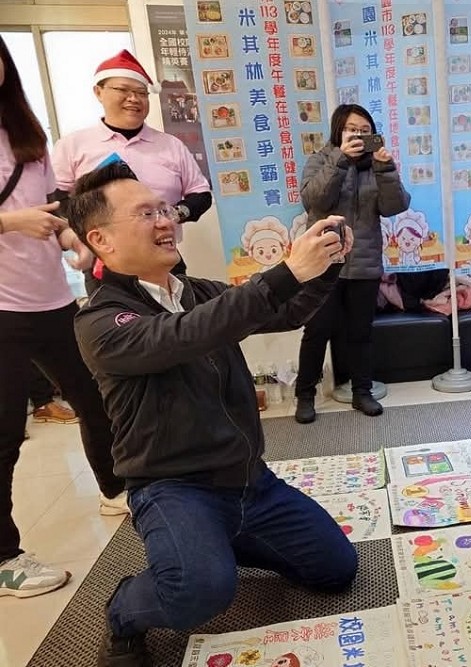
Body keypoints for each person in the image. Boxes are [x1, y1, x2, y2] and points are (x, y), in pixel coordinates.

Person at [66, 161, 359, 666]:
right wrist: (288, 270)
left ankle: (217, 545)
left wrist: (327, 264)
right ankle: (125, 609)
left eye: (164, 209)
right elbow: (187, 334)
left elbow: (282, 311)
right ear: (102, 240)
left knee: (336, 569)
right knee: (199, 593)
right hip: (174, 488)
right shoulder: (99, 321)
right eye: (145, 214)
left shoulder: (197, 291)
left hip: (250, 482)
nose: (165, 221)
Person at [0, 36, 127, 600]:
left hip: (50, 296)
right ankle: (3, 557)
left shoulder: (26, 137)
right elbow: (23, 217)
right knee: (4, 433)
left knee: (96, 395)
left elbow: (51, 206)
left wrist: (77, 241)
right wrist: (9, 224)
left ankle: (115, 486)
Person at [52, 49, 211, 286]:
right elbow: (57, 199)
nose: (134, 99)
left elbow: (201, 195)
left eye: (141, 93)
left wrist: (172, 214)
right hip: (106, 265)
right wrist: (79, 232)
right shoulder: (73, 145)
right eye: (123, 90)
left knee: (179, 320)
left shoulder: (170, 145)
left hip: (165, 259)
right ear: (99, 92)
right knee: (118, 322)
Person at [295, 104, 411, 421]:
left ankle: (362, 392)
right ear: (338, 131)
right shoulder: (322, 159)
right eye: (351, 129)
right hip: (323, 262)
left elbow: (394, 206)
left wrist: (386, 170)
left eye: (364, 129)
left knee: (360, 333)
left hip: (364, 263)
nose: (358, 134)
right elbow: (315, 201)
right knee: (317, 330)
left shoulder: (377, 166)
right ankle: (305, 396)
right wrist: (341, 159)